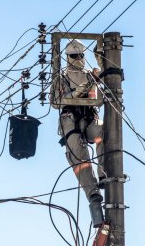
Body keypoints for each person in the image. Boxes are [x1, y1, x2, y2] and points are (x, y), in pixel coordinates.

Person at [50, 39, 105, 228]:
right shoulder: (61, 77)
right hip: (70, 120)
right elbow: (56, 101)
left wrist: (97, 77)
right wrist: (82, 89)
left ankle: (104, 174)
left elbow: (99, 100)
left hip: (88, 119)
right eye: (74, 56)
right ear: (67, 57)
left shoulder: (92, 75)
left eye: (80, 55)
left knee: (103, 133)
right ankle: (93, 193)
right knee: (78, 155)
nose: (78, 59)